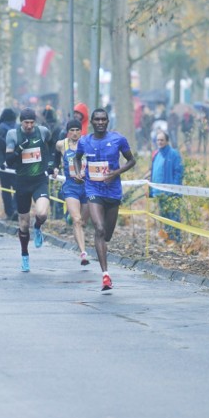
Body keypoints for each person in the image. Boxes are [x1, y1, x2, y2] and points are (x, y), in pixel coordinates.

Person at [73, 108, 137, 291]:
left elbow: (132, 161)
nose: (100, 122)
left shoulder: (118, 139)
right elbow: (77, 159)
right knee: (99, 228)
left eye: (103, 119)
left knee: (106, 234)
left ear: (107, 122)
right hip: (93, 189)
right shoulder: (84, 141)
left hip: (113, 192)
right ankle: (105, 276)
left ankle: (101, 246)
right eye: (97, 120)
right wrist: (78, 173)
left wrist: (116, 172)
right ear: (92, 122)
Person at [5, 108, 54, 273]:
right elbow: (9, 162)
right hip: (22, 182)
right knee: (23, 224)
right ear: (21, 122)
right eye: (26, 122)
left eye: (32, 122)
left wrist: (52, 163)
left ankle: (38, 227)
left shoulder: (42, 131)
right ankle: (24, 255)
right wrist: (19, 149)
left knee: (41, 213)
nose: (29, 126)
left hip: (39, 180)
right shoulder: (13, 135)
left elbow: (52, 144)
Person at [54, 119, 91, 265]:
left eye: (77, 130)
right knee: (77, 220)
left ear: (81, 131)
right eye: (72, 130)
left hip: (87, 187)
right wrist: (55, 166)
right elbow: (54, 154)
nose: (75, 133)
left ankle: (72, 219)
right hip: (70, 187)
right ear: (67, 132)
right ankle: (83, 253)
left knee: (83, 222)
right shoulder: (61, 144)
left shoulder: (87, 143)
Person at [148, 130, 184, 242]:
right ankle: (168, 239)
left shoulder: (174, 154)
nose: (160, 142)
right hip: (159, 192)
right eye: (158, 140)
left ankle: (176, 240)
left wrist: (174, 188)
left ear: (167, 141)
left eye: (162, 140)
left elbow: (179, 172)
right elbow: (154, 171)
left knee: (173, 217)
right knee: (164, 217)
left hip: (171, 193)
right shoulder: (156, 154)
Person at [0, 108, 18, 220]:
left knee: (5, 189)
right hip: (15, 162)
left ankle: (9, 212)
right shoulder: (18, 127)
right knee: (17, 187)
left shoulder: (0, 128)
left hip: (3, 164)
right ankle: (16, 208)